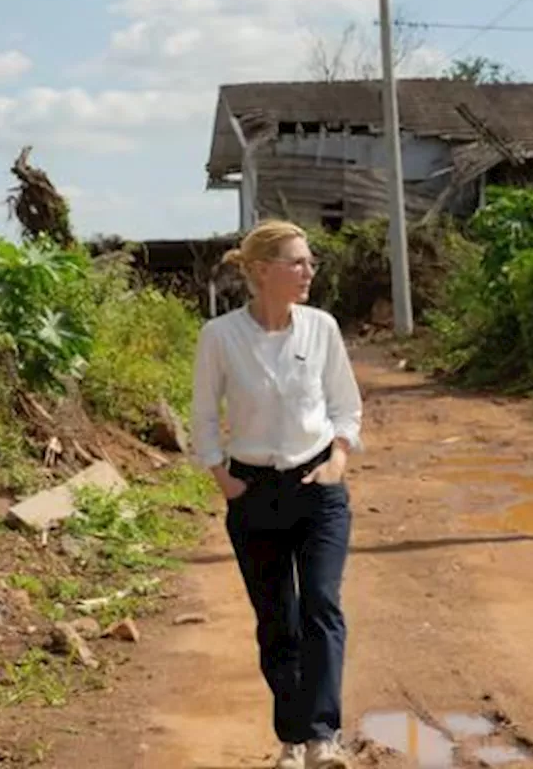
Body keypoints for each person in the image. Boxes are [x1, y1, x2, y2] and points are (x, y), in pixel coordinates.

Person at [191, 219, 363, 769]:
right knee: (277, 620)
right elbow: (202, 416)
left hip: (319, 488)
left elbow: (346, 406)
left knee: (322, 605)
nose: (309, 271)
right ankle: (291, 739)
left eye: (310, 261)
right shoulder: (219, 337)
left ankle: (322, 738)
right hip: (254, 490)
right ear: (262, 272)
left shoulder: (322, 329)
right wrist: (223, 478)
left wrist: (337, 461)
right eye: (298, 262)